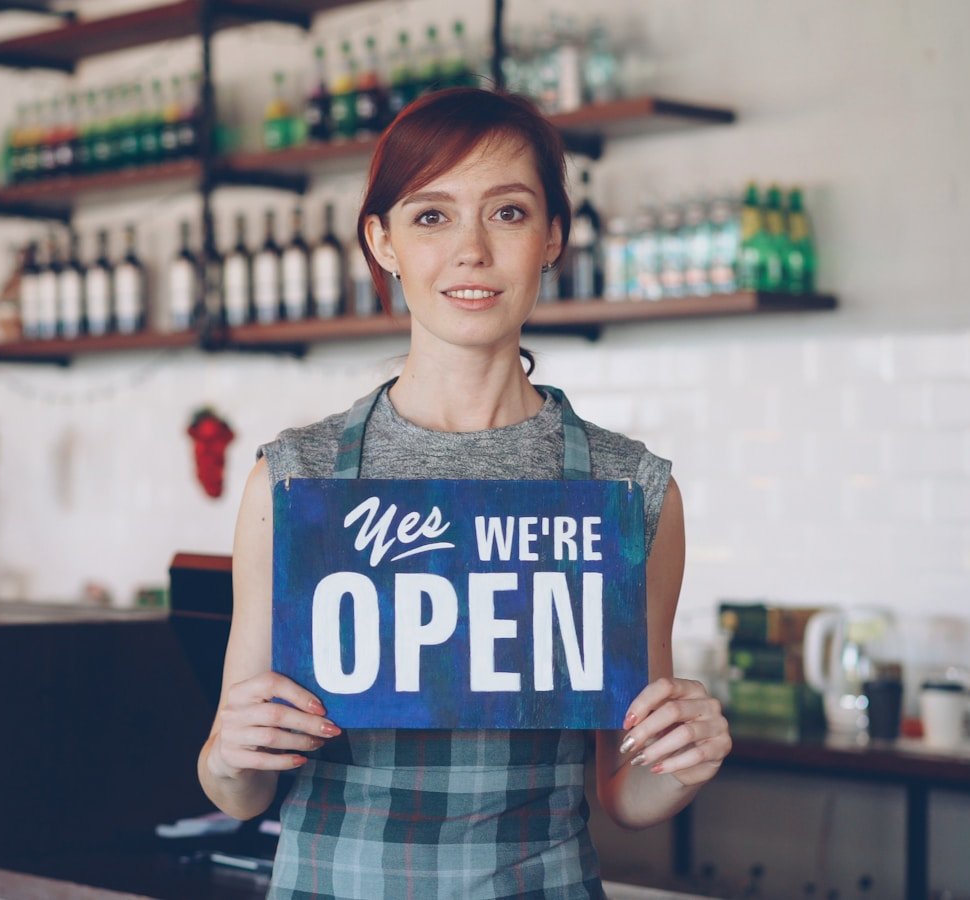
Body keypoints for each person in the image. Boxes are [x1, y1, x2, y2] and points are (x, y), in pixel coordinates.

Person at [197, 87, 731, 899]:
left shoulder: (629, 493)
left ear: (552, 237)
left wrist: (686, 759)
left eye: (509, 213)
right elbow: (239, 787)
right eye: (431, 216)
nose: (472, 251)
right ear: (382, 242)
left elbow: (625, 792)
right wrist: (229, 753)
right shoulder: (294, 478)